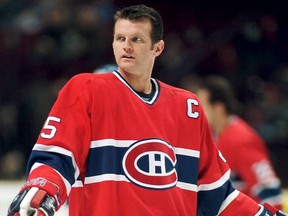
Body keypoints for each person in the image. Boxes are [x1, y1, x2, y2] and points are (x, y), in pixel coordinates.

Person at [7, 4, 287, 216]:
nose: (126, 47)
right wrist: (41, 191)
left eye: (137, 39)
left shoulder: (187, 107)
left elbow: (215, 194)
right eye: (120, 38)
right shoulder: (87, 89)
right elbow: (56, 155)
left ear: (158, 47)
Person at [193, 74, 284, 210]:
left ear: (218, 107)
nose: (197, 110)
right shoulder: (213, 135)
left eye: (202, 104)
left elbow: (269, 189)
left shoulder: (241, 139)